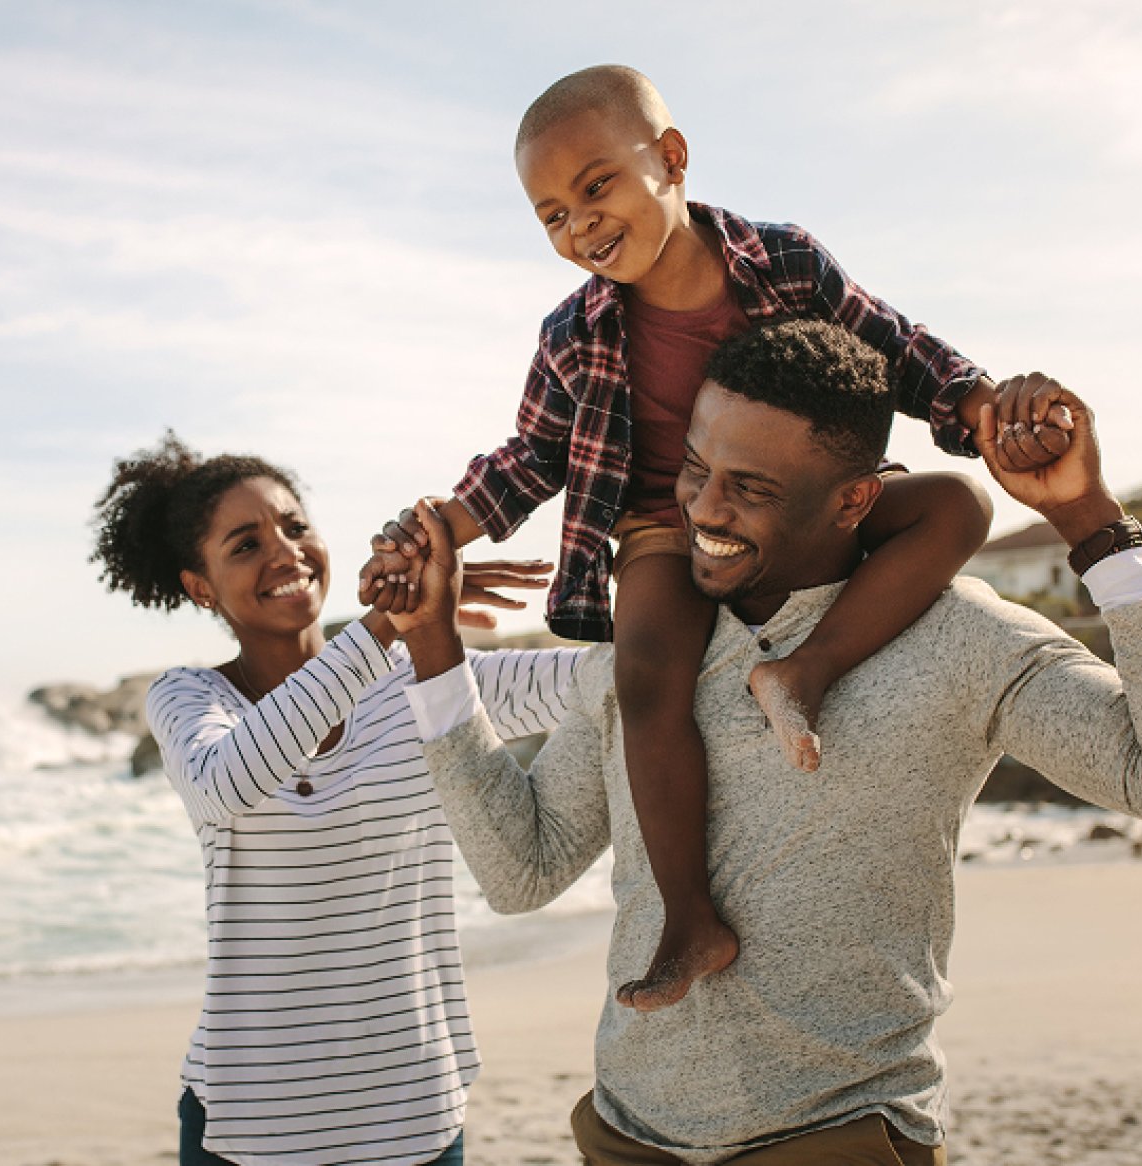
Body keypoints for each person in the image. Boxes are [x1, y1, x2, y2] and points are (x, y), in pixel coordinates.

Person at [387, 320, 1142, 1165]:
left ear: (856, 498)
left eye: (752, 488)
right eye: (696, 469)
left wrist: (1091, 525)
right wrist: (434, 649)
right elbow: (521, 870)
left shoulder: (958, 638)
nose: (704, 507)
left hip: (841, 1138)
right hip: (631, 1134)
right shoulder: (648, 653)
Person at [361, 64, 1073, 1012]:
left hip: (801, 506)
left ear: (669, 158)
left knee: (958, 510)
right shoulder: (573, 333)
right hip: (666, 522)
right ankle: (690, 920)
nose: (579, 227)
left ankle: (803, 673)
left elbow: (898, 349)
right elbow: (530, 456)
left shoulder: (782, 262)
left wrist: (984, 405)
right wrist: (436, 526)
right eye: (550, 216)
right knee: (646, 671)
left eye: (595, 187)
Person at [89, 434, 580, 1166]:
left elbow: (598, 682)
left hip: (415, 1117)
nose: (284, 552)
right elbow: (228, 782)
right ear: (201, 586)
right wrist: (386, 622)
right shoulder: (189, 699)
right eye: (245, 544)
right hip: (250, 1126)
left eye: (294, 526)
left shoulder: (427, 676)